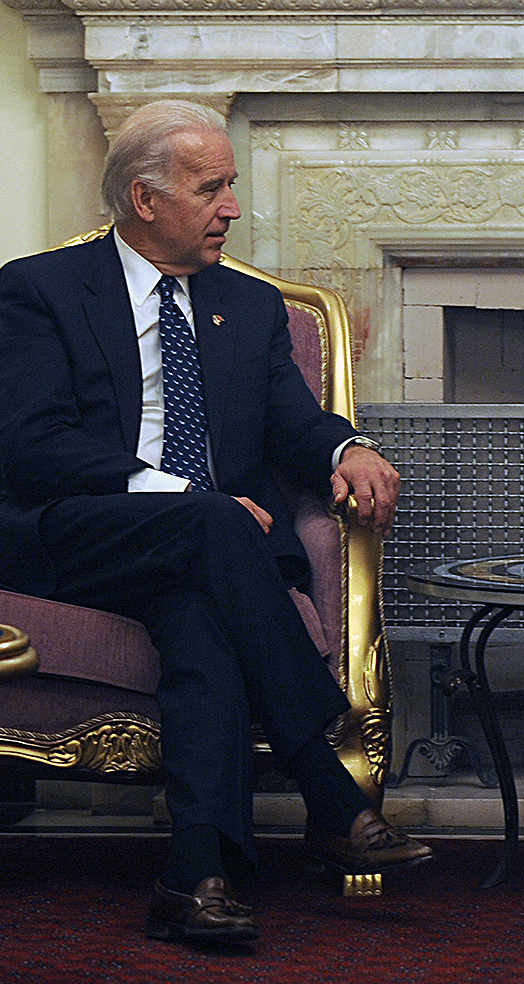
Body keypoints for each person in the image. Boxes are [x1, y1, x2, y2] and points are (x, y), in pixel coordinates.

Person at [0, 100, 432, 944]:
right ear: (143, 198)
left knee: (200, 621)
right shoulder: (37, 291)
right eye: (212, 189)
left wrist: (348, 445)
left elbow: (292, 421)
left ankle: (194, 876)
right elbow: (30, 443)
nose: (233, 207)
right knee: (212, 528)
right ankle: (325, 780)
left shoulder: (251, 305)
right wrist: (175, 494)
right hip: (75, 532)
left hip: (205, 552)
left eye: (232, 185)